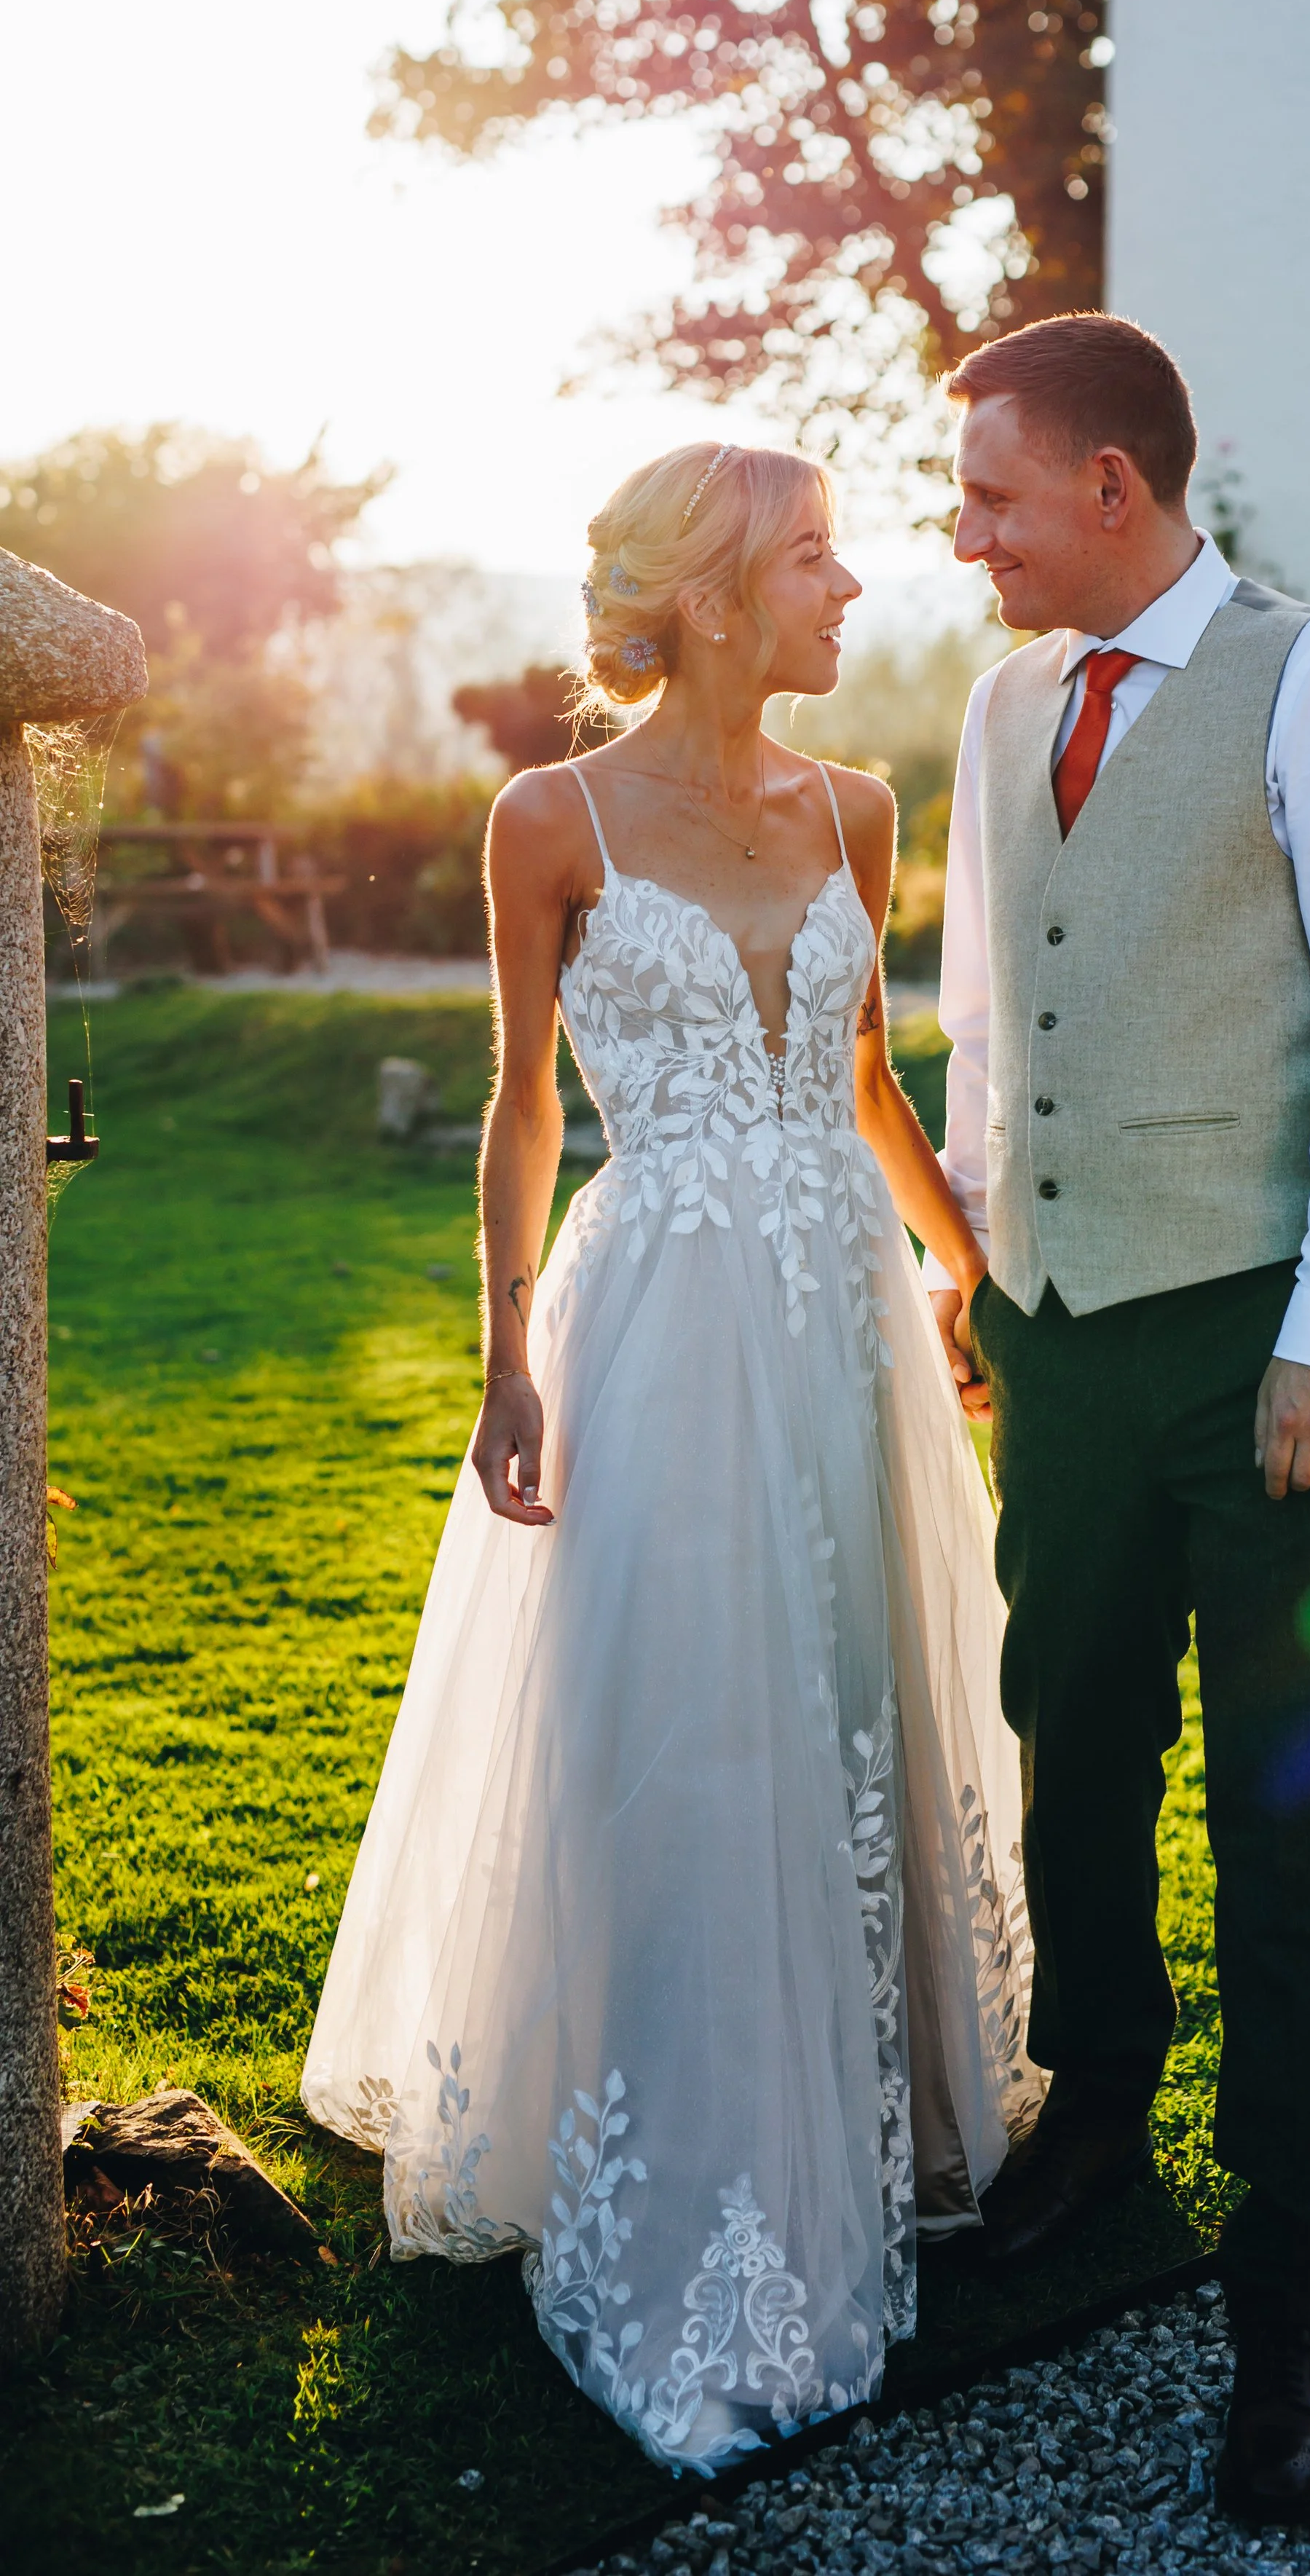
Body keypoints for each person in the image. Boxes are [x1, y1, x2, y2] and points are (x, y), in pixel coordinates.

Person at [302, 443, 1038, 2476]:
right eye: (816, 557)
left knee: (864, 1688)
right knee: (689, 1714)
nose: (852, 585)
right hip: (654, 1322)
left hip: (839, 1316)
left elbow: (871, 1070)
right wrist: (503, 1343)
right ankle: (697, 2145)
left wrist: (958, 1267)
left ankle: (889, 2099)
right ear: (714, 593)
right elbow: (526, 1098)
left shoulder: (854, 803)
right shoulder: (546, 817)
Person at [922, 315, 1310, 2529]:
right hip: (1059, 1331)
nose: (963, 539)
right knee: (1075, 1739)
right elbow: (979, 1002)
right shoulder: (1000, 698)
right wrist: (976, 1264)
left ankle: (1294, 2296)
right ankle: (1098, 2107)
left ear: (1113, 490)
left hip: (1267, 1356)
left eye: (990, 499)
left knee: (1287, 1815)